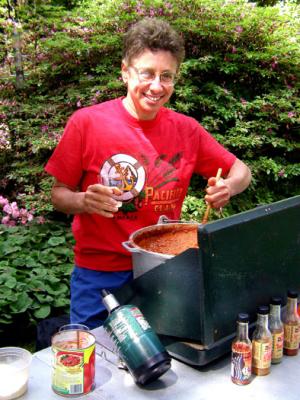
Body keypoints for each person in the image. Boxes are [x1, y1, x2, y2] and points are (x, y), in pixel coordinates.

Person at [45, 17, 251, 329]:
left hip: (164, 270)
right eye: (147, 73)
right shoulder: (87, 123)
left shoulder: (187, 129)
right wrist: (84, 201)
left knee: (166, 360)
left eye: (166, 76)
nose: (157, 86)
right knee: (93, 362)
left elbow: (241, 171)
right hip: (100, 274)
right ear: (125, 71)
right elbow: (58, 195)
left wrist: (230, 187)